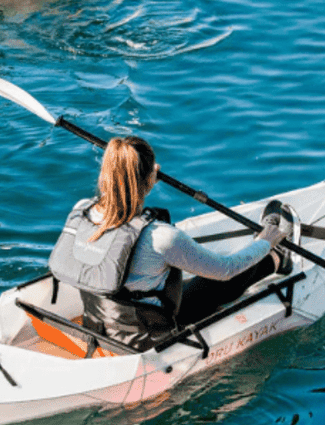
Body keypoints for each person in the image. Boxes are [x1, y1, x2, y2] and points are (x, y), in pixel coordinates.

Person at [48, 136, 297, 347]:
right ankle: (275, 256)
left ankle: (273, 260)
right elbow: (226, 269)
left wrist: (143, 182)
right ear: (150, 179)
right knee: (213, 282)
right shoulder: (161, 237)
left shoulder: (82, 211)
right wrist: (267, 239)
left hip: (99, 324)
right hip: (147, 338)